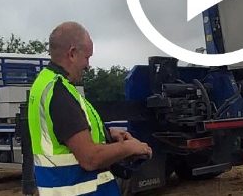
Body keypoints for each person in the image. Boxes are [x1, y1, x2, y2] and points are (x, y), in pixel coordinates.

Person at [28, 21, 152, 195]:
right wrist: (131, 147)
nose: (88, 65)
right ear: (72, 54)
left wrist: (108, 134)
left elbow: (66, 134)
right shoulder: (59, 92)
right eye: (87, 57)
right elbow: (90, 158)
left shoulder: (47, 83)